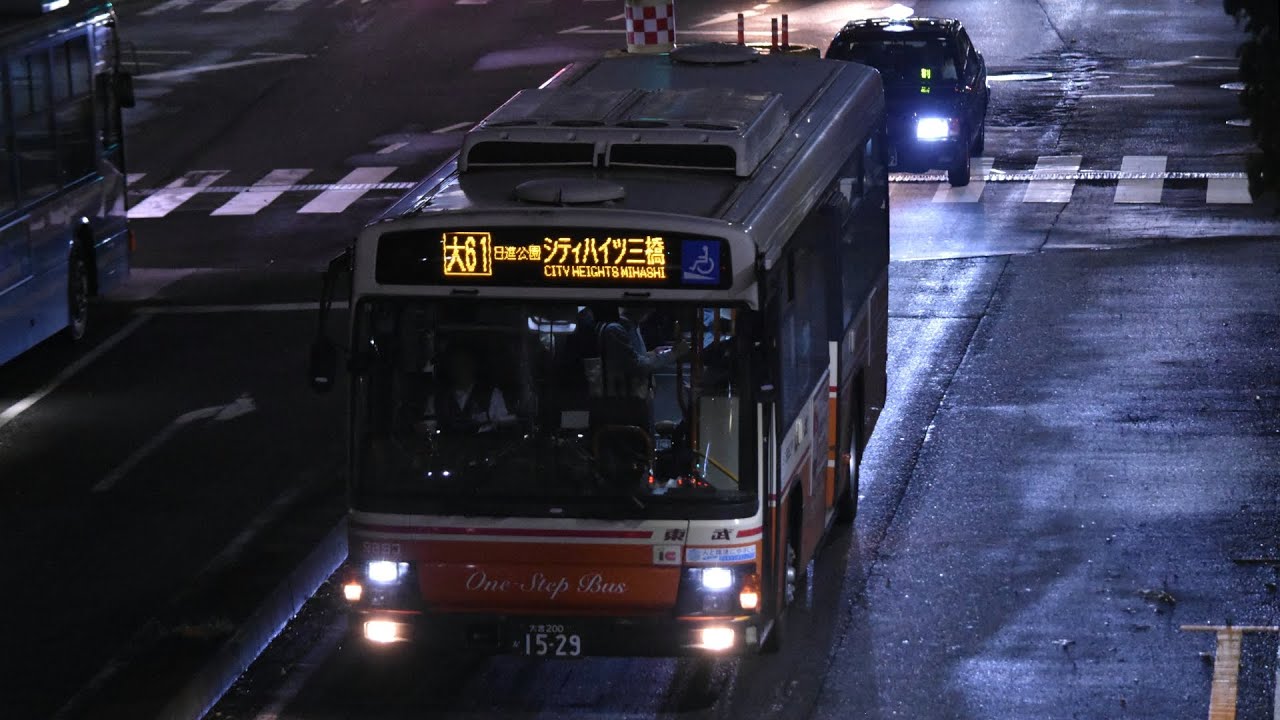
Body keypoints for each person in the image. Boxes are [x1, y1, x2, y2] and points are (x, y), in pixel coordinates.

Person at [424, 343, 515, 433]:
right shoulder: (437, 399)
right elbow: (428, 429)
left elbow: (504, 428)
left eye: (464, 363)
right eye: (455, 364)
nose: (460, 369)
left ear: (473, 365)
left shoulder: (492, 395)